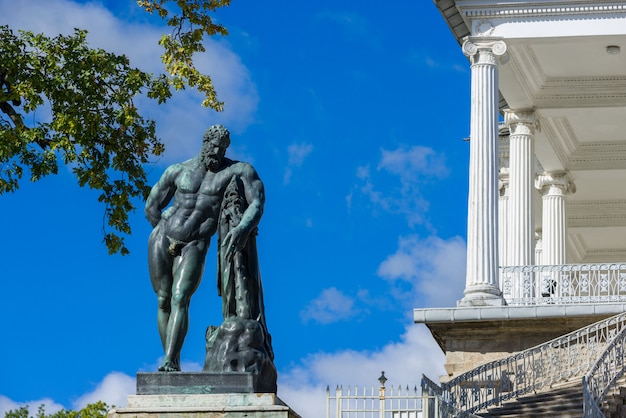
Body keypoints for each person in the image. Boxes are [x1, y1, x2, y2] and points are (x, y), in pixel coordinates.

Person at [145, 124, 265, 372]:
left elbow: (257, 202)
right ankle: (173, 360)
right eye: (213, 147)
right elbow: (151, 206)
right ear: (204, 142)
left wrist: (243, 228)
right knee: (163, 300)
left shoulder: (236, 171)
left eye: (222, 149)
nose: (217, 153)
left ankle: (168, 360)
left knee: (180, 298)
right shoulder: (178, 170)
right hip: (162, 237)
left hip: (196, 243)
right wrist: (164, 231)